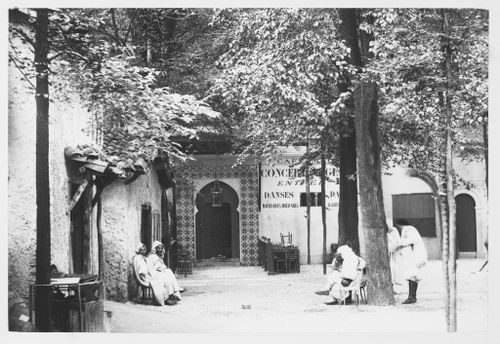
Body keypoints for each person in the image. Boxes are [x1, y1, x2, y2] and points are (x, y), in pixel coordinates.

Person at [394, 219, 427, 304]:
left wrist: (398, 247)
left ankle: (411, 297)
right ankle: (412, 296)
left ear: (400, 225)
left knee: (411, 275)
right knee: (413, 276)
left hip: (411, 256)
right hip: (415, 255)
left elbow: (407, 242)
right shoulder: (412, 229)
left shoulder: (407, 230)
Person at [147, 241, 185, 305]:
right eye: (158, 248)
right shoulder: (151, 257)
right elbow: (150, 269)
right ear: (155, 248)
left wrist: (164, 269)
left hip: (161, 272)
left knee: (169, 273)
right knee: (166, 278)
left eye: (161, 248)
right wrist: (160, 271)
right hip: (155, 274)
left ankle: (173, 293)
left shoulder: (159, 256)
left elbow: (161, 265)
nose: (160, 250)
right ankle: (168, 297)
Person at [386, 219, 404, 288]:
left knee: (393, 269)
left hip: (394, 255)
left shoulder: (394, 231)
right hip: (388, 254)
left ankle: (392, 286)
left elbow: (398, 242)